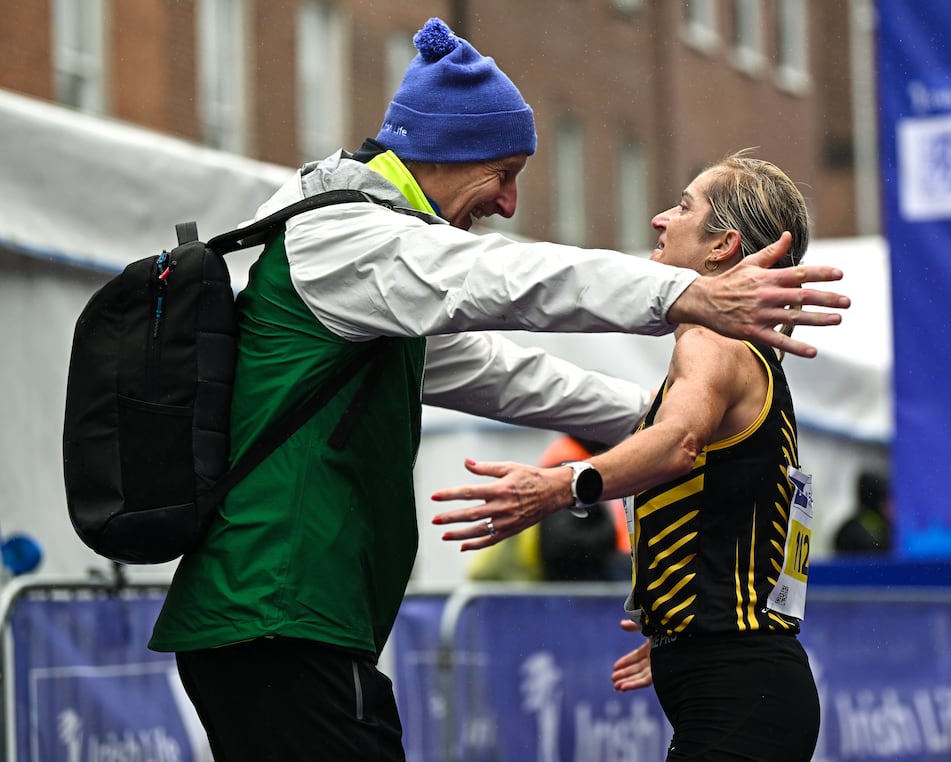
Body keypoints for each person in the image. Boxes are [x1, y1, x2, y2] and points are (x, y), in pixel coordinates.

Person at [149, 16, 845, 760]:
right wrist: (681, 295)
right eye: (505, 173)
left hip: (291, 619)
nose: (509, 204)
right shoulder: (350, 237)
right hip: (272, 609)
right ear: (447, 152)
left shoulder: (380, 274)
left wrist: (705, 431)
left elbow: (506, 376)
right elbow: (512, 280)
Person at [433, 152, 822, 760]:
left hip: (743, 687)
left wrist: (561, 486)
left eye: (684, 207)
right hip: (743, 676)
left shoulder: (712, 343)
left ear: (723, 246)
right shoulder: (749, 359)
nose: (660, 219)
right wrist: (689, 630)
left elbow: (678, 443)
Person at [467, 434, 630, 582]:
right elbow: (559, 543)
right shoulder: (570, 468)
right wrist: (609, 536)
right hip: (570, 584)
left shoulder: (571, 462)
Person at [833, 470, 892, 553]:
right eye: (885, 500)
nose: (891, 506)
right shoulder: (851, 533)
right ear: (877, 502)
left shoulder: (847, 529)